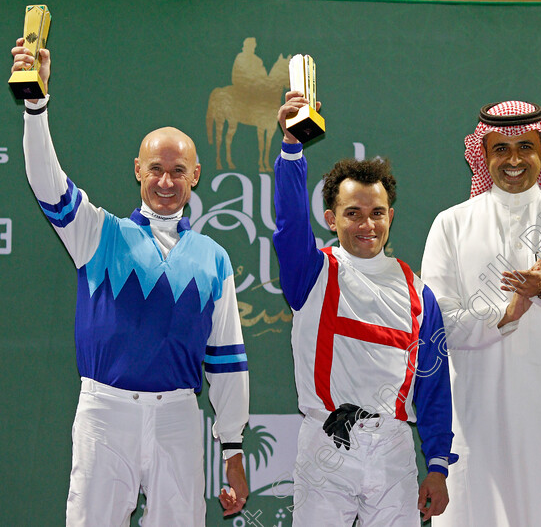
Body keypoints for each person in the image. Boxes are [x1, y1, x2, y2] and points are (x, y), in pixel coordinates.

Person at [12, 39, 250, 526]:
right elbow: (44, 180)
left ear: (196, 175)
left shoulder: (214, 259)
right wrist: (36, 104)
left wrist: (233, 448)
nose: (166, 181)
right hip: (105, 414)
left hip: (179, 419)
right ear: (137, 169)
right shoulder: (96, 232)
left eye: (178, 171)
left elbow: (227, 361)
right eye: (156, 169)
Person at [421, 100, 541, 526]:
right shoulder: (451, 225)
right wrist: (506, 312)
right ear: (483, 154)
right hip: (477, 416)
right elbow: (440, 328)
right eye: (500, 149)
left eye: (525, 147)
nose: (514, 160)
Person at [272, 91, 457, 526]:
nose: (366, 224)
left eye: (376, 213)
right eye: (352, 213)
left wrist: (437, 466)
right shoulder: (312, 272)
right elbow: (289, 225)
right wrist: (291, 148)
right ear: (331, 218)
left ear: (391, 215)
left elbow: (433, 389)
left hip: (393, 449)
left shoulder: (418, 293)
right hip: (325, 447)